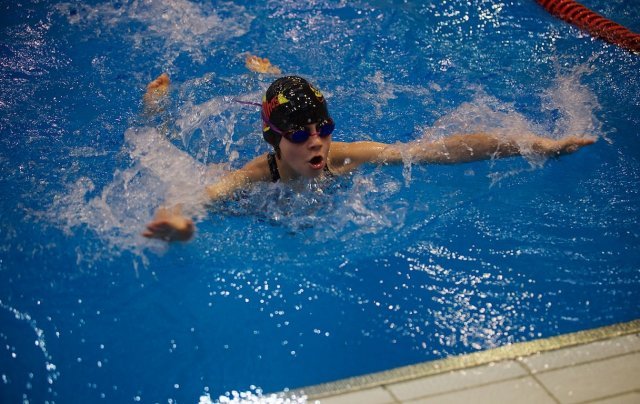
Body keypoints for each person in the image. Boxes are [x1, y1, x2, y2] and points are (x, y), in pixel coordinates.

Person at [142, 74, 595, 242]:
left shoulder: (348, 158)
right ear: (273, 139)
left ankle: (263, 71)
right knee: (173, 153)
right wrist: (177, 225)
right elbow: (188, 198)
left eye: (324, 129)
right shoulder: (254, 177)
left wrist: (535, 143)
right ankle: (157, 112)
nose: (316, 142)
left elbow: (443, 150)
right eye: (300, 134)